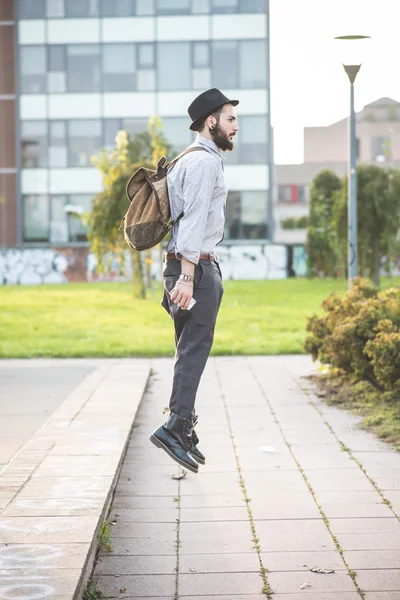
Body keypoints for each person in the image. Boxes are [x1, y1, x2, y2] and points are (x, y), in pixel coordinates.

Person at [150, 88, 239, 474]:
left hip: (188, 267)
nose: (236, 126)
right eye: (230, 118)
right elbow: (194, 221)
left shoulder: (191, 158)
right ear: (211, 121)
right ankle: (175, 429)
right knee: (193, 351)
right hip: (195, 269)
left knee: (187, 352)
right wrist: (188, 277)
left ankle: (182, 428)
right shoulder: (203, 163)